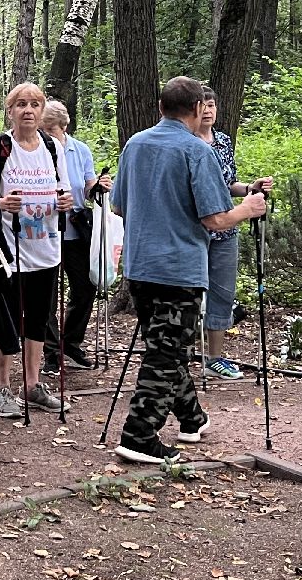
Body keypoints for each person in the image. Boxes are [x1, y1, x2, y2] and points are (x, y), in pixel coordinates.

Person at [110, 77, 266, 464]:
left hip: (139, 265)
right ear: (197, 108)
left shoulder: (135, 144)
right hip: (178, 269)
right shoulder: (197, 151)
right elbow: (215, 219)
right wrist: (247, 209)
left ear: (161, 107)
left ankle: (191, 418)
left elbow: (117, 205)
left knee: (166, 347)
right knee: (165, 353)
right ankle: (138, 436)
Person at [0, 82, 74, 418]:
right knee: (7, 320)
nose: (28, 110)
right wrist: (2, 202)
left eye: (34, 104)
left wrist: (65, 202)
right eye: (21, 104)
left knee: (37, 319)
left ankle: (32, 385)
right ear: (10, 110)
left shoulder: (52, 146)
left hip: (46, 246)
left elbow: (64, 189)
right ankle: (1, 387)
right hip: (8, 249)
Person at [197, 88, 273, 381]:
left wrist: (251, 189)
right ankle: (181, 352)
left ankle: (214, 357)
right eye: (202, 105)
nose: (208, 111)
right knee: (191, 292)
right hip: (197, 228)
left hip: (227, 225)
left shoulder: (224, 141)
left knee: (223, 291)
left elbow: (229, 183)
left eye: (212, 105)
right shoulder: (187, 143)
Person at [40, 99, 109, 374]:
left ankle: (71, 342)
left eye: (50, 130)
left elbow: (88, 183)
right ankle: (51, 350)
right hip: (45, 229)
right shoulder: (38, 151)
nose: (45, 136)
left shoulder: (80, 150)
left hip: (76, 228)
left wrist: (99, 186)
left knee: (85, 288)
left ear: (64, 127)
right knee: (47, 294)